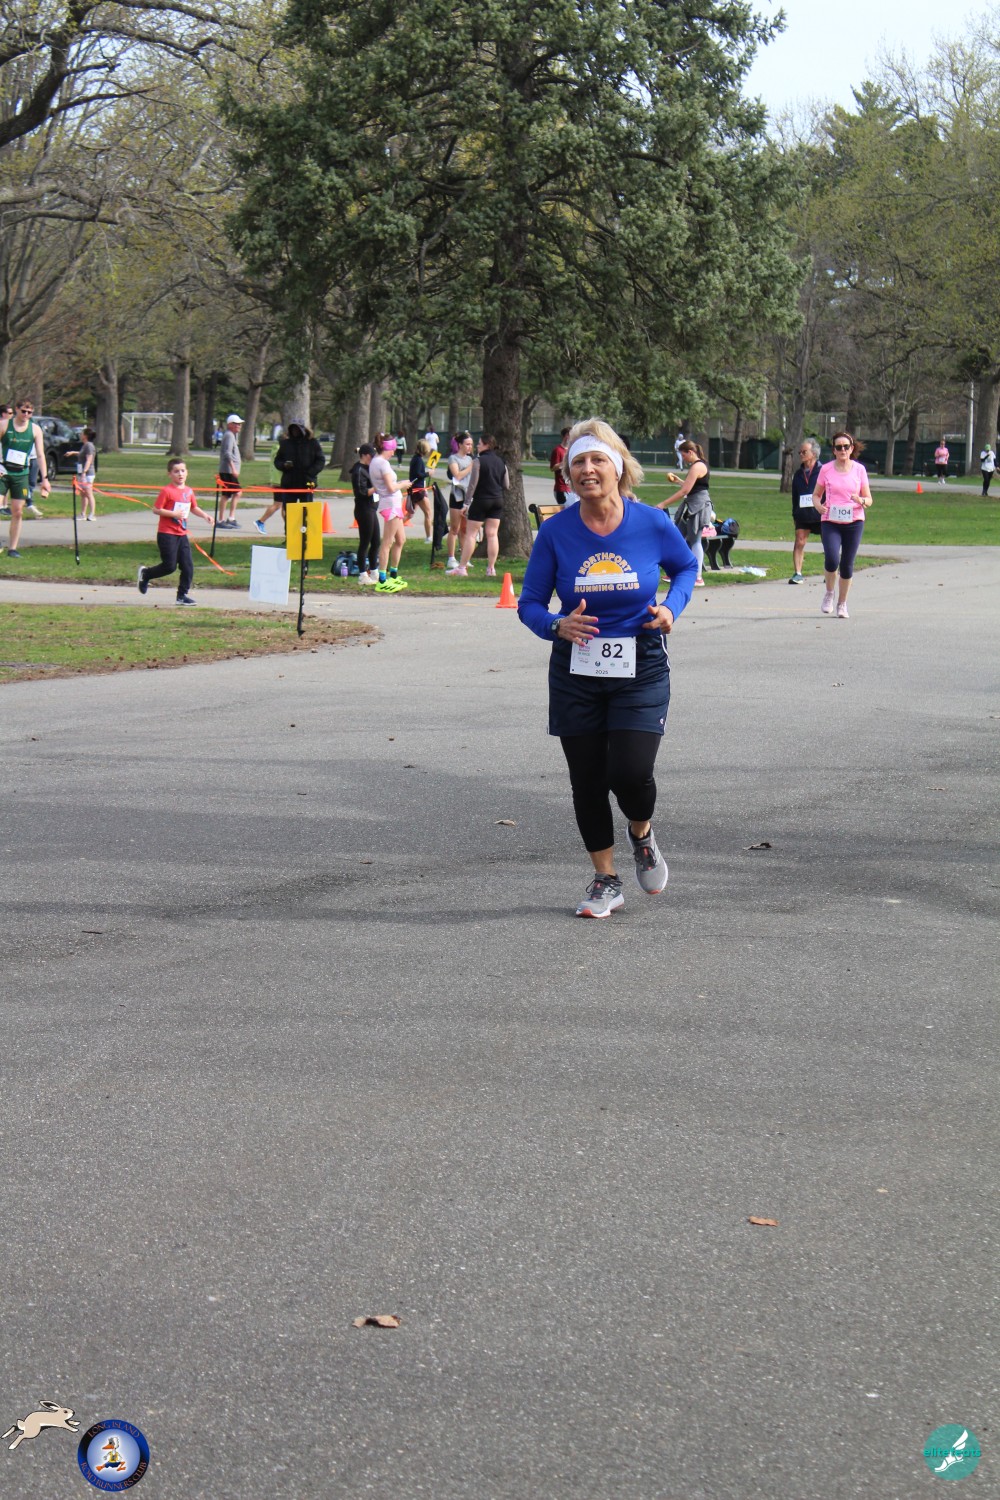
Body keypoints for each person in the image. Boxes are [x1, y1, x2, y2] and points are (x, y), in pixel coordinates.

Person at [518, 418, 699, 918]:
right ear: (568, 474)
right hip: (576, 667)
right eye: (577, 462)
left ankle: (641, 832)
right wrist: (556, 625)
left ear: (618, 468)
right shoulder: (556, 531)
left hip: (640, 661)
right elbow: (529, 603)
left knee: (631, 772)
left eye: (598, 459)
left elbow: (686, 567)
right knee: (588, 780)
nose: (587, 469)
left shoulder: (651, 523)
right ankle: (605, 879)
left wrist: (671, 608)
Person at [812, 430, 872, 619]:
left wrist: (860, 500)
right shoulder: (826, 469)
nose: (843, 450)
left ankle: (842, 603)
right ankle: (829, 593)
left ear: (851, 448)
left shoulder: (859, 470)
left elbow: (869, 499)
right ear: (834, 450)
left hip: (854, 521)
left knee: (847, 565)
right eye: (839, 447)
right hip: (830, 520)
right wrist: (818, 505)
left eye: (846, 446)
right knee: (832, 559)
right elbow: (816, 494)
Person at [136, 458, 214, 605]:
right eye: (176, 471)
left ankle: (181, 596)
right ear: (170, 474)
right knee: (169, 566)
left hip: (181, 534)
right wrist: (173, 514)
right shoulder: (167, 491)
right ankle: (146, 574)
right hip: (167, 534)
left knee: (188, 566)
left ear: (187, 472)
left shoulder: (189, 491)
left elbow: (193, 507)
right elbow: (156, 509)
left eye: (183, 471)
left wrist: (205, 516)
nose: (180, 474)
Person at [452, 433, 509, 578]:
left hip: (481, 500)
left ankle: (462, 567)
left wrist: (466, 503)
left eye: (479, 443)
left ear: (486, 445)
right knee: (492, 534)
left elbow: (472, 484)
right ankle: (491, 568)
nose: (477, 446)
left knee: (471, 534)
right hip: (497, 500)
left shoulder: (478, 461)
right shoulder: (501, 462)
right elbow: (506, 484)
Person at [0, 398, 51, 558]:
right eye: (23, 411)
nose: (26, 415)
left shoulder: (35, 430)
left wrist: (45, 479)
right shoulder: (4, 425)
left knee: (18, 511)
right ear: (17, 409)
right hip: (3, 471)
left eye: (29, 412)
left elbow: (41, 455)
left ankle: (12, 549)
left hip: (21, 474)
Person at [254, 422, 326, 533]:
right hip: (289, 483)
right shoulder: (286, 444)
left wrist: (311, 472)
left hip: (307, 482)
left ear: (303, 431)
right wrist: (284, 465)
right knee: (289, 511)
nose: (295, 432)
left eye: (297, 430)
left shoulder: (312, 443)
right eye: (293, 430)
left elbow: (321, 460)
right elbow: (277, 461)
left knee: (306, 510)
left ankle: (306, 536)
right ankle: (289, 535)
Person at [657, 439, 711, 586]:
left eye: (684, 455)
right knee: (678, 537)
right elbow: (692, 486)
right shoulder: (698, 465)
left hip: (699, 505)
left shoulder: (697, 466)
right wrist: (678, 481)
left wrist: (663, 504)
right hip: (692, 504)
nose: (683, 458)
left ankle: (698, 577)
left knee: (695, 540)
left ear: (690, 452)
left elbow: (685, 491)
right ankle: (674, 572)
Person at [370, 431, 410, 592]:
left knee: (400, 539)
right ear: (386, 448)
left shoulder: (376, 461)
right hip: (391, 504)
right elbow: (391, 488)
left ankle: (393, 575)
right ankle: (382, 579)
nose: (394, 452)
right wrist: (403, 484)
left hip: (393, 503)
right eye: (392, 449)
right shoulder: (382, 463)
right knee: (387, 542)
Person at [788, 437, 823, 583]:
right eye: (800, 452)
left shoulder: (823, 471)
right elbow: (795, 496)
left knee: (828, 544)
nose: (801, 454)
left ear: (813, 453)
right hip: (802, 514)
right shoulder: (798, 474)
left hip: (821, 513)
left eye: (804, 452)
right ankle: (797, 573)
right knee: (799, 541)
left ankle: (830, 572)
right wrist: (795, 515)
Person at [350, 443, 380, 584]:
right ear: (364, 456)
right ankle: (362, 575)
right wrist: (376, 488)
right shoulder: (358, 470)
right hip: (364, 509)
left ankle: (374, 571)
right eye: (370, 456)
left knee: (376, 541)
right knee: (365, 542)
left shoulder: (369, 468)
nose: (372, 459)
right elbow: (361, 492)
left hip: (372, 508)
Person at [445, 432, 474, 571]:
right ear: (460, 444)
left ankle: (464, 557)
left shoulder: (470, 459)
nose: (470, 447)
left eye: (471, 444)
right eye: (467, 444)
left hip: (468, 496)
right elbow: (457, 475)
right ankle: (451, 558)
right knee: (454, 528)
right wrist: (470, 467)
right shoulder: (453, 458)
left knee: (465, 529)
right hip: (457, 496)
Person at [217, 414, 243, 527]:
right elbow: (227, 453)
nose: (239, 426)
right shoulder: (229, 435)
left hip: (229, 471)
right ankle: (222, 520)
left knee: (231, 493)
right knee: (232, 493)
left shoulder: (232, 435)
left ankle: (230, 518)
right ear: (230, 425)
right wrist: (233, 469)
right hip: (227, 471)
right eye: (236, 424)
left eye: (239, 424)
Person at [408, 438, 434, 542]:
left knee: (410, 514)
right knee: (428, 513)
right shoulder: (418, 460)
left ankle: (396, 528)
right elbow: (418, 474)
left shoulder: (415, 458)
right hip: (418, 490)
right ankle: (429, 537)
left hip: (416, 489)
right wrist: (428, 473)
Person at [70, 427, 98, 520]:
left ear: (86, 436)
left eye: (82, 433)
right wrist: (73, 453)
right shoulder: (85, 445)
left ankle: (92, 514)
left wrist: (84, 472)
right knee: (83, 494)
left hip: (87, 474)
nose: (81, 435)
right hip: (82, 473)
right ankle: (83, 514)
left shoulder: (89, 445)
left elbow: (89, 459)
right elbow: (82, 454)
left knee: (89, 493)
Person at [549, 427, 571, 506]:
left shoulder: (571, 450)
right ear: (564, 436)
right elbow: (553, 468)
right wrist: (565, 463)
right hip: (561, 489)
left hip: (571, 488)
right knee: (566, 510)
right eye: (569, 435)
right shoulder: (558, 450)